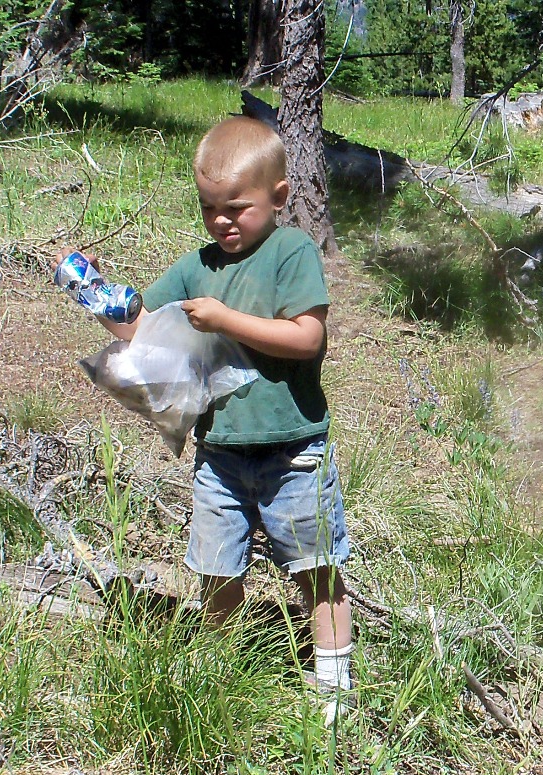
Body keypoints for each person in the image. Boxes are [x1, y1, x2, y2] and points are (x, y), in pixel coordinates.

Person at [52, 116, 353, 721]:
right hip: (220, 454)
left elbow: (306, 338)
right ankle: (219, 672)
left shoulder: (290, 252)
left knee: (315, 565)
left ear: (279, 196)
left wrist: (224, 320)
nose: (221, 221)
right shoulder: (197, 266)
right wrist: (95, 294)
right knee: (217, 569)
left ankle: (334, 681)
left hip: (294, 451)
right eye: (208, 207)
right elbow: (146, 327)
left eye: (236, 208)